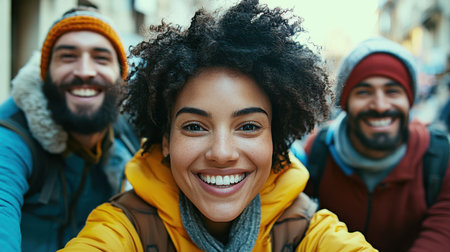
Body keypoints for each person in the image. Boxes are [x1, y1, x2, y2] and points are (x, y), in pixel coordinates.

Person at [60, 1, 377, 251]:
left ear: (275, 138)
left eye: (249, 126)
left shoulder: (306, 230)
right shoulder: (125, 228)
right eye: (195, 127)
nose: (222, 153)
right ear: (165, 139)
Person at [0, 6, 139, 252]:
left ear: (121, 78)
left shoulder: (131, 133)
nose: (85, 71)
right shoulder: (11, 137)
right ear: (46, 76)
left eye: (101, 58)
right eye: (67, 56)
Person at [301, 37, 450, 252]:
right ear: (345, 103)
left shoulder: (439, 155)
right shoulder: (318, 150)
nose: (380, 106)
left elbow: (441, 236)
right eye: (364, 92)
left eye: (392, 91)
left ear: (409, 101)